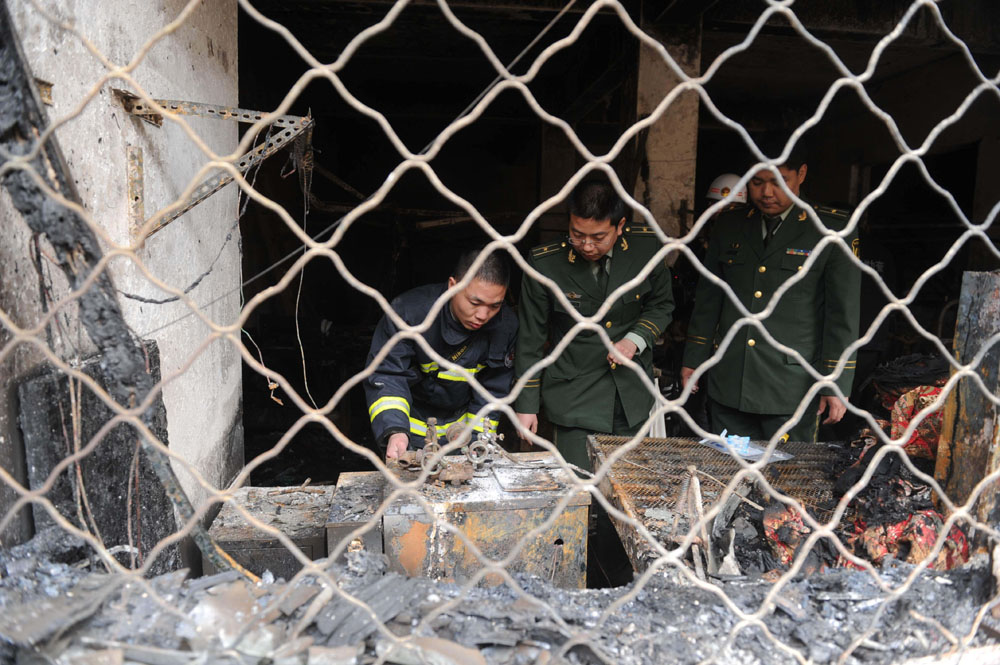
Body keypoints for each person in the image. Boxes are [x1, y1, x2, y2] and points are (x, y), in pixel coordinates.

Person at [680, 152, 861, 442]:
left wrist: (836, 381)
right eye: (757, 182)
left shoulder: (832, 229)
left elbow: (842, 315)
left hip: (792, 388)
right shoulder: (730, 225)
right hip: (730, 380)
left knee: (789, 469)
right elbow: (709, 299)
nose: (766, 192)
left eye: (779, 182)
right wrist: (694, 357)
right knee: (727, 467)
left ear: (801, 174)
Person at [514, 177, 675, 470]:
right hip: (574, 397)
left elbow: (662, 305)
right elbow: (530, 338)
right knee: (579, 488)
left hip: (631, 396)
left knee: (627, 487)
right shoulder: (544, 264)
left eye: (598, 237)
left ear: (620, 225)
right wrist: (526, 405)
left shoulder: (647, 248)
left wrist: (634, 340)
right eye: (577, 235)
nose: (586, 246)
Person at [365, 249, 517, 459]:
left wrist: (479, 438)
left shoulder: (505, 326)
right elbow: (388, 374)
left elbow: (494, 389)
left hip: (464, 434)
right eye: (474, 303)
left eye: (495, 306)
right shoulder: (409, 313)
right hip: (409, 427)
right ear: (452, 286)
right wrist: (394, 430)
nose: (483, 315)